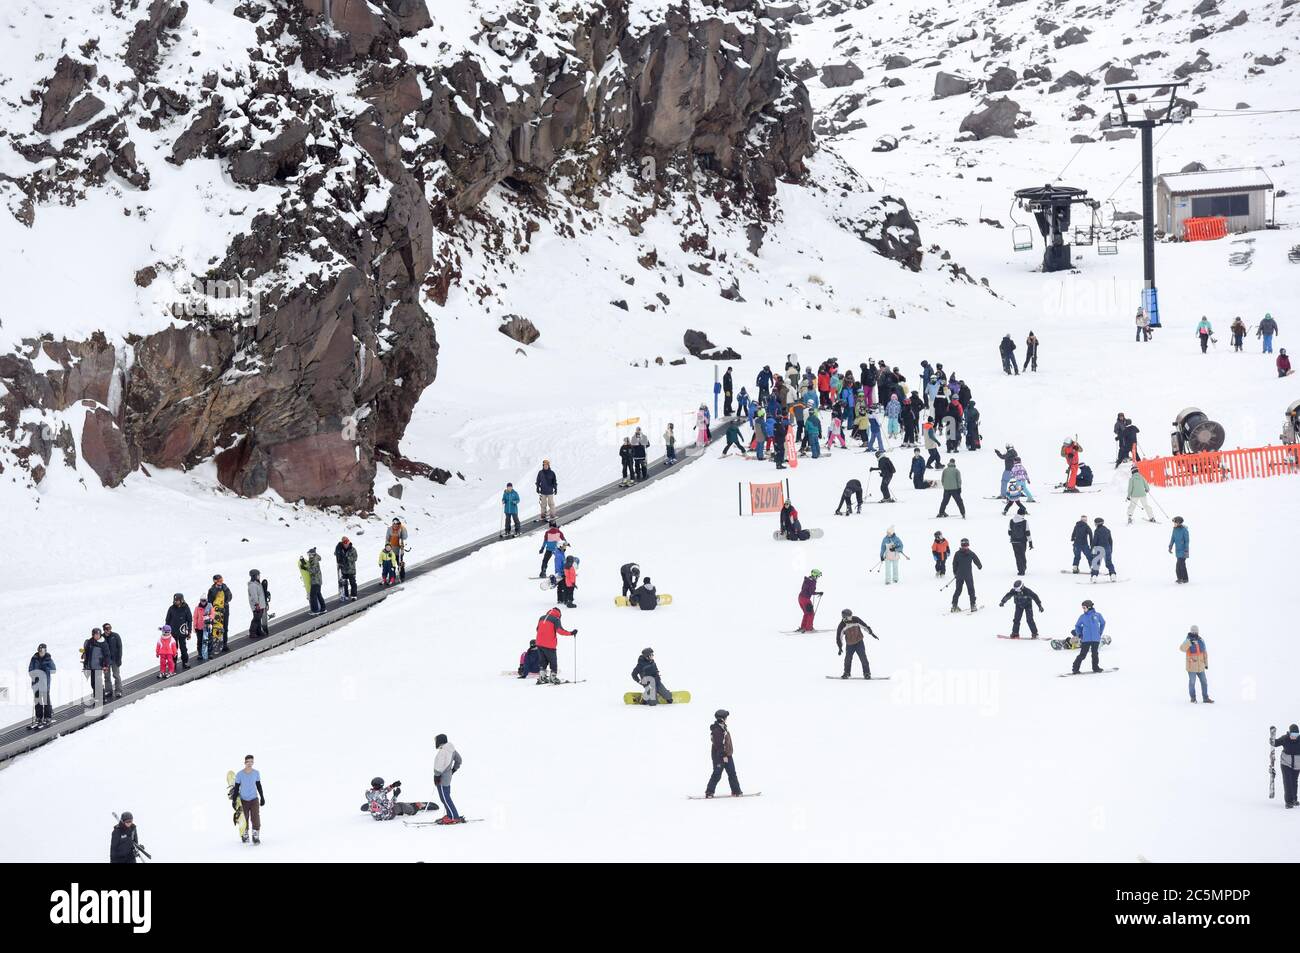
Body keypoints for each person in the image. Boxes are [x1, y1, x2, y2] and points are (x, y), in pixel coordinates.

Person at [704, 710, 742, 798]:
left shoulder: (723, 727)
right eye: (726, 717)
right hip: (719, 756)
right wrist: (724, 755)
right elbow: (718, 745)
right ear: (722, 718)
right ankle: (709, 792)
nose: (726, 719)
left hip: (727, 755)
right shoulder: (717, 730)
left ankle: (736, 791)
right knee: (717, 774)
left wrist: (727, 754)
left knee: (732, 773)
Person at [534, 607, 576, 684]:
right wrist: (571, 633)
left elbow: (537, 629)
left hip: (539, 643)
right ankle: (553, 677)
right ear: (559, 614)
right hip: (549, 644)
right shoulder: (555, 619)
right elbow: (560, 631)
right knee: (553, 661)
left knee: (542, 661)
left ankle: (542, 677)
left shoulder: (541, 618)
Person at [362, 778, 435, 820]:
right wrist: (395, 795)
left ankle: (375, 806)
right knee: (400, 805)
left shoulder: (368, 793)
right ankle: (415, 808)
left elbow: (380, 792)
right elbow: (390, 805)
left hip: (375, 816)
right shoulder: (381, 795)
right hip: (386, 816)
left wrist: (393, 785)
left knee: (379, 802)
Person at [836, 609, 878, 679]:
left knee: (863, 658)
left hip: (859, 642)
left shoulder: (855, 619)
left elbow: (864, 626)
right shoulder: (842, 625)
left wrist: (871, 633)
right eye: (849, 616)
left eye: (851, 615)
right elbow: (839, 637)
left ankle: (867, 673)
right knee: (848, 659)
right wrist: (840, 647)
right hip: (850, 645)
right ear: (845, 617)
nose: (851, 617)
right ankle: (847, 673)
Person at [232, 754, 265, 844]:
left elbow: (258, 785)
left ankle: (255, 835)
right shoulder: (239, 774)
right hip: (243, 800)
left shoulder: (256, 773)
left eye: (251, 761)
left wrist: (262, 797)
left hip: (254, 798)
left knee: (255, 817)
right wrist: (234, 800)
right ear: (245, 763)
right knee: (244, 818)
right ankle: (245, 834)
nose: (250, 763)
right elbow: (236, 788)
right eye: (248, 762)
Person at [433, 735, 465, 824]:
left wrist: (437, 776)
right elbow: (459, 760)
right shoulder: (451, 749)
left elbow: (439, 766)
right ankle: (450, 815)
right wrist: (454, 769)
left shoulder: (443, 751)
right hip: (447, 777)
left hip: (442, 778)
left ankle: (454, 817)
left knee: (445, 798)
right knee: (445, 798)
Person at [1070, 600, 1106, 674]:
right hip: (1086, 639)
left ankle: (1095, 668)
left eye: (1084, 607)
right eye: (1082, 608)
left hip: (1095, 639)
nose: (1083, 609)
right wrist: (1079, 634)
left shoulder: (1097, 615)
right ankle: (1075, 669)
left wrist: (1100, 632)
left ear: (1089, 607)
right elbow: (1077, 626)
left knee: (1095, 654)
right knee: (1082, 655)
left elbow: (1103, 623)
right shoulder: (1082, 617)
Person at [1179, 627, 1212, 703]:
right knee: (1192, 682)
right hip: (1191, 667)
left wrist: (1206, 664)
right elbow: (1181, 649)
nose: (1195, 633)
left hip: (1201, 666)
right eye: (1193, 631)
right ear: (1191, 632)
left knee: (1204, 682)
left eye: (1196, 631)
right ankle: (1193, 698)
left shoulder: (1201, 640)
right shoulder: (1188, 640)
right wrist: (1189, 642)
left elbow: (1204, 653)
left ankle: (1205, 698)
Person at [28, 643, 55, 729]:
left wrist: (46, 668)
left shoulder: (48, 659)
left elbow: (54, 670)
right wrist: (35, 675)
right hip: (36, 683)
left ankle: (48, 717)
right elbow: (30, 670)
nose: (41, 652)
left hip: (45, 683)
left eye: (42, 650)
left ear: (45, 651)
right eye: (39, 650)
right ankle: (39, 717)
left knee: (46, 700)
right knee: (38, 700)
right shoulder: (34, 659)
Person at [1272, 724, 1300, 808]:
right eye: (1292, 735)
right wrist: (1272, 741)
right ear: (1289, 733)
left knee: (1294, 782)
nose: (1294, 737)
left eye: (1296, 735)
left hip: (1297, 765)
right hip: (1285, 764)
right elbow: (1276, 743)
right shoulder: (1285, 738)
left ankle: (1294, 799)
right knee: (1288, 782)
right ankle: (1288, 802)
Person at [82, 628, 111, 706]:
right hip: (91, 666)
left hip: (98, 666)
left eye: (98, 634)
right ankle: (97, 699)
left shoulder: (103, 643)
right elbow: (87, 654)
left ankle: (102, 698)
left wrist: (106, 665)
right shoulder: (90, 642)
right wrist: (85, 664)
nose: (97, 636)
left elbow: (107, 655)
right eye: (96, 634)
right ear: (93, 635)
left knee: (98, 683)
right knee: (93, 684)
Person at [950, 538, 981, 612]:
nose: (965, 547)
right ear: (961, 545)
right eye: (964, 545)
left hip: (964, 575)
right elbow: (954, 564)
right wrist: (955, 572)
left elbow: (976, 560)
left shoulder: (966, 553)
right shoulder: (967, 553)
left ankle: (972, 605)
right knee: (960, 590)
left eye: (966, 545)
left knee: (969, 590)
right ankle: (954, 606)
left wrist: (979, 565)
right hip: (964, 575)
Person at [165, 592, 192, 670]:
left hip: (182, 632)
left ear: (181, 600)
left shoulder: (186, 608)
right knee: (173, 649)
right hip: (173, 633)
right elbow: (167, 620)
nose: (175, 601)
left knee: (183, 648)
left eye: (177, 600)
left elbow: (189, 620)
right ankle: (173, 663)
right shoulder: (171, 608)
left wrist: (189, 631)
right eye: (175, 600)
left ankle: (185, 662)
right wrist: (167, 632)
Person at [207, 574, 232, 655]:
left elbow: (230, 597)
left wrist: (226, 592)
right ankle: (216, 645)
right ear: (215, 581)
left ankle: (224, 644)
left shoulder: (225, 587)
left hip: (225, 610)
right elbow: (209, 602)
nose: (221, 582)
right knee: (217, 628)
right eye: (219, 581)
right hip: (217, 612)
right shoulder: (211, 590)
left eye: (222, 580)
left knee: (225, 627)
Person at [102, 622, 125, 699]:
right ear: (104, 630)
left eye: (110, 628)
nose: (108, 630)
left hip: (115, 659)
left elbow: (120, 647)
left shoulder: (115, 636)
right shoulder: (101, 638)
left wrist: (119, 658)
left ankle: (118, 691)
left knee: (116, 675)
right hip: (106, 661)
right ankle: (108, 690)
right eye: (107, 629)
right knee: (107, 676)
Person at [1008, 511, 1032, 576]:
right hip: (1022, 541)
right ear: (1022, 514)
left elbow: (1009, 532)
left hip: (1014, 542)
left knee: (1017, 556)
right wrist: (1030, 542)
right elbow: (1027, 532)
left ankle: (1020, 570)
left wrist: (1012, 538)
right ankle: (1023, 568)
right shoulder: (1024, 521)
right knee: (1022, 555)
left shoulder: (1011, 521)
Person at [247, 569, 269, 638]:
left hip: (260, 604)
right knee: (256, 618)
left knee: (258, 618)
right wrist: (257, 604)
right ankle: (252, 632)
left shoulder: (257, 583)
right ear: (254, 576)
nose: (259, 576)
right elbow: (254, 596)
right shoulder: (253, 585)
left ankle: (259, 631)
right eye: (258, 575)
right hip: (257, 605)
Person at [1168, 516, 1190, 583]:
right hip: (1178, 551)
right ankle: (1183, 578)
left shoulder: (1184, 530)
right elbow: (1173, 539)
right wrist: (1170, 546)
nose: (1174, 524)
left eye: (1175, 522)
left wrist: (1186, 549)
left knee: (1180, 565)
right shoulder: (1174, 529)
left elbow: (1187, 541)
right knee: (1181, 565)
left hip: (1183, 551)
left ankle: (1182, 578)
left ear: (1179, 523)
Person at [304, 547, 325, 613]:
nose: (309, 556)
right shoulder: (314, 559)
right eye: (308, 555)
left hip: (315, 581)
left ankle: (316, 610)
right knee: (318, 594)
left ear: (313, 554)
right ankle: (323, 608)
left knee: (313, 595)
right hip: (317, 580)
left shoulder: (314, 561)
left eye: (310, 555)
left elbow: (313, 570)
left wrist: (305, 568)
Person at [194, 597, 210, 662]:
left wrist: (209, 618)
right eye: (202, 601)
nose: (203, 602)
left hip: (206, 627)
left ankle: (207, 653)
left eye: (204, 601)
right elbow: (195, 617)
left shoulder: (209, 607)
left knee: (206, 640)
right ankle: (200, 654)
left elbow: (213, 614)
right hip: (199, 627)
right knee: (199, 641)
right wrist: (195, 626)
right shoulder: (197, 608)